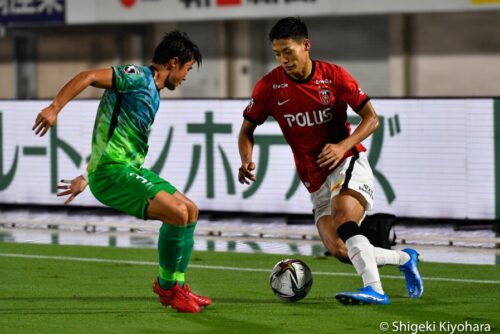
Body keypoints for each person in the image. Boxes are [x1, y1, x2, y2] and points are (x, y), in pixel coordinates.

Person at [238, 17, 423, 305]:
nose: (283, 60)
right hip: (313, 178)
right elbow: (247, 130)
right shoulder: (269, 87)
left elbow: (371, 119)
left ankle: (375, 290)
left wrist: (342, 146)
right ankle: (404, 258)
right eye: (277, 54)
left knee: (343, 218)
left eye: (288, 51)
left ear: (306, 45)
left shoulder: (334, 77)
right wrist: (246, 160)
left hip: (347, 160)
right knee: (338, 247)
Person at [32, 31, 211, 313]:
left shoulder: (153, 90)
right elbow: (88, 76)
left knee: (190, 210)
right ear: (174, 62)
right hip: (112, 174)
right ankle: (166, 289)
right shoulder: (137, 76)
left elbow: (110, 136)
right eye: (187, 69)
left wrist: (86, 176)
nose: (187, 76)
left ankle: (177, 285)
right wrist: (55, 107)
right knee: (177, 214)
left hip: (124, 169)